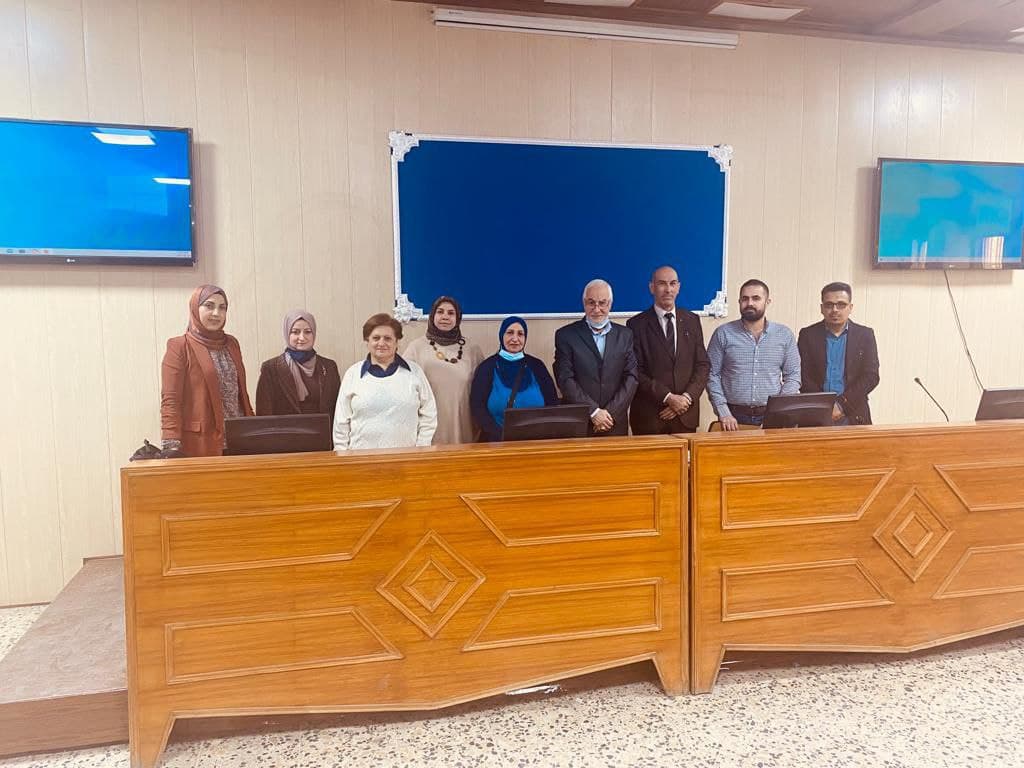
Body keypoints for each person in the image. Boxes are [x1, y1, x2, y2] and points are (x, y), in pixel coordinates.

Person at [160, 284, 254, 457]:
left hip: (239, 442)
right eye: (209, 306)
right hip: (201, 444)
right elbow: (171, 400)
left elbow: (241, 395)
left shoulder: (232, 344)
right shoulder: (179, 346)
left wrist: (254, 429)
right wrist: (171, 445)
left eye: (222, 307)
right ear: (195, 308)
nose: (216, 313)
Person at [333, 313, 437, 450]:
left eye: (388, 338)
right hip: (360, 457)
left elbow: (429, 414)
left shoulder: (415, 372)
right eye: (376, 338)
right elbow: (341, 421)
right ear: (367, 341)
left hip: (407, 457)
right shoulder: (353, 374)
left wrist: (422, 448)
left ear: (397, 342)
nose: (381, 343)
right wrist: (341, 454)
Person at [707, 279, 800, 430]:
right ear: (739, 302)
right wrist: (723, 412)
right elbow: (711, 375)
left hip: (773, 416)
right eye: (745, 299)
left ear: (767, 302)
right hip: (732, 417)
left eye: (756, 298)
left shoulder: (784, 335)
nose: (749, 303)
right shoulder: (723, 333)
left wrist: (778, 411)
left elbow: (793, 376)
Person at [627, 265, 710, 434]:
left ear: (678, 287)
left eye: (672, 284)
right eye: (662, 284)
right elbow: (636, 371)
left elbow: (702, 365)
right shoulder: (636, 325)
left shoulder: (692, 320)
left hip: (685, 416)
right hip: (650, 418)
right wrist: (669, 398)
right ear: (652, 287)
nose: (668, 289)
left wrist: (685, 399)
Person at [553, 279, 639, 436]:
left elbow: (631, 378)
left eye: (602, 303)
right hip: (580, 425)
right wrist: (593, 412)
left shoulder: (625, 335)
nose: (597, 309)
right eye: (591, 303)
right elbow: (565, 379)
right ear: (584, 303)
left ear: (610, 304)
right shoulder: (565, 336)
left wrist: (610, 414)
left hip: (614, 423)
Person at [403, 296, 483, 444]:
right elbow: (404, 389)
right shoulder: (416, 348)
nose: (445, 317)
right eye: (440, 312)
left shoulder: (473, 350)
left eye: (451, 313)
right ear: (432, 315)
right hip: (428, 427)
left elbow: (481, 392)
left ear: (458, 318)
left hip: (463, 425)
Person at [797, 282, 880, 425]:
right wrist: (823, 406)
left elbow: (871, 376)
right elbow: (803, 375)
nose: (834, 310)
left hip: (853, 413)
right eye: (829, 305)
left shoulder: (865, 335)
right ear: (821, 308)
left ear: (850, 307)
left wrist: (842, 405)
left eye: (841, 305)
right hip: (815, 413)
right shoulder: (808, 335)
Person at [469, 316, 559, 442]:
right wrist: (500, 436)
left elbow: (552, 403)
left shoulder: (537, 366)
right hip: (497, 442)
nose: (515, 339)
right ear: (501, 335)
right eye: (510, 333)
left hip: (535, 441)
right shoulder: (487, 367)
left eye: (520, 334)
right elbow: (477, 407)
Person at [255, 310, 341, 417]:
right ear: (287, 333)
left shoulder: (329, 367)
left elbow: (339, 409)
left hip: (323, 428)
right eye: (295, 332)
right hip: (285, 428)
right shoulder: (270, 369)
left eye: (307, 332)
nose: (302, 337)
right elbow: (264, 414)